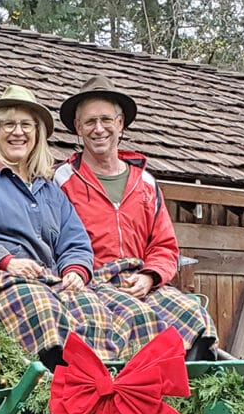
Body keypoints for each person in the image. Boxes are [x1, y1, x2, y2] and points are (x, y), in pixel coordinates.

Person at [0, 84, 142, 371]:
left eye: (26, 125)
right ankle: (53, 395)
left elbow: (75, 242)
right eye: (8, 124)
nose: (18, 132)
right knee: (42, 307)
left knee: (97, 309)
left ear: (37, 134)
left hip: (47, 281)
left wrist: (75, 270)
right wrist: (7, 262)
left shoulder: (49, 191)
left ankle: (105, 387)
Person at [54, 75, 217, 360]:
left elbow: (165, 247)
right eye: (89, 122)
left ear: (121, 124)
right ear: (78, 129)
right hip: (89, 282)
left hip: (139, 281)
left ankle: (188, 396)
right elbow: (52, 239)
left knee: (197, 317)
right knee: (137, 319)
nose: (99, 129)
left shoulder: (146, 183)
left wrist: (150, 276)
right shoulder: (62, 180)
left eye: (106, 120)